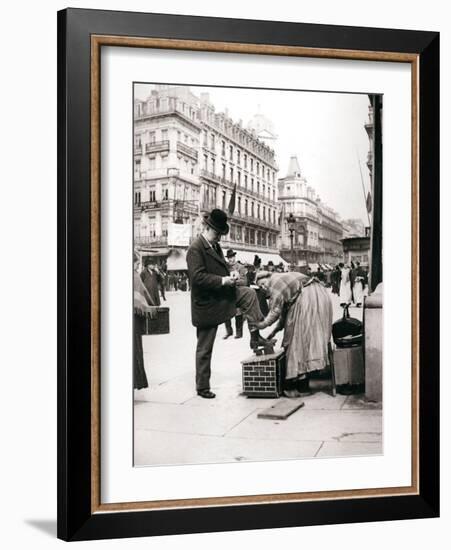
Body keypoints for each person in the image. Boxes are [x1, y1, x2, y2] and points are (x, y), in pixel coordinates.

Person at [186, 209, 271, 399]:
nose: (219, 237)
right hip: (207, 302)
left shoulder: (214, 246)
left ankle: (255, 336)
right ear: (207, 228)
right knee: (204, 347)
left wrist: (230, 274)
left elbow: (222, 266)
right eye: (217, 233)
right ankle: (202, 387)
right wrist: (223, 280)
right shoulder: (195, 249)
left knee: (249, 294)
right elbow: (197, 278)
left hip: (221, 295)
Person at [255, 271, 333, 397]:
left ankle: (294, 384)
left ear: (267, 277)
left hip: (308, 298)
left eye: (263, 284)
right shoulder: (284, 279)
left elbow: (275, 311)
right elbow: (285, 314)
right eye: (261, 287)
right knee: (307, 340)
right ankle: (303, 384)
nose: (264, 288)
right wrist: (274, 331)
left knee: (296, 341)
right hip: (319, 296)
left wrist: (262, 325)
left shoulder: (275, 281)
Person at [133, 253, 157, 391]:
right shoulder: (135, 276)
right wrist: (152, 306)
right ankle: (137, 381)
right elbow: (143, 294)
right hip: (135, 318)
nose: (138, 264)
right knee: (135, 349)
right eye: (136, 262)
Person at [223, 249, 247, 339]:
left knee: (238, 312)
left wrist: (234, 281)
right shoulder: (225, 268)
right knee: (225, 312)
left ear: (235, 257)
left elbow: (244, 281)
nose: (230, 260)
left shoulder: (241, 267)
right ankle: (229, 331)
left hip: (237, 292)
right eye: (229, 258)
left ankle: (239, 332)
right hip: (227, 292)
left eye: (232, 257)